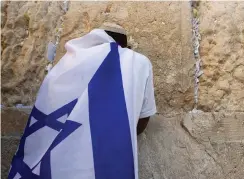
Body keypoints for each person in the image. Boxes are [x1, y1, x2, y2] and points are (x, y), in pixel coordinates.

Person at [8, 23, 156, 179]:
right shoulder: (138, 63)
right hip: (101, 162)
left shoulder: (65, 63)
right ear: (124, 44)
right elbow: (143, 121)